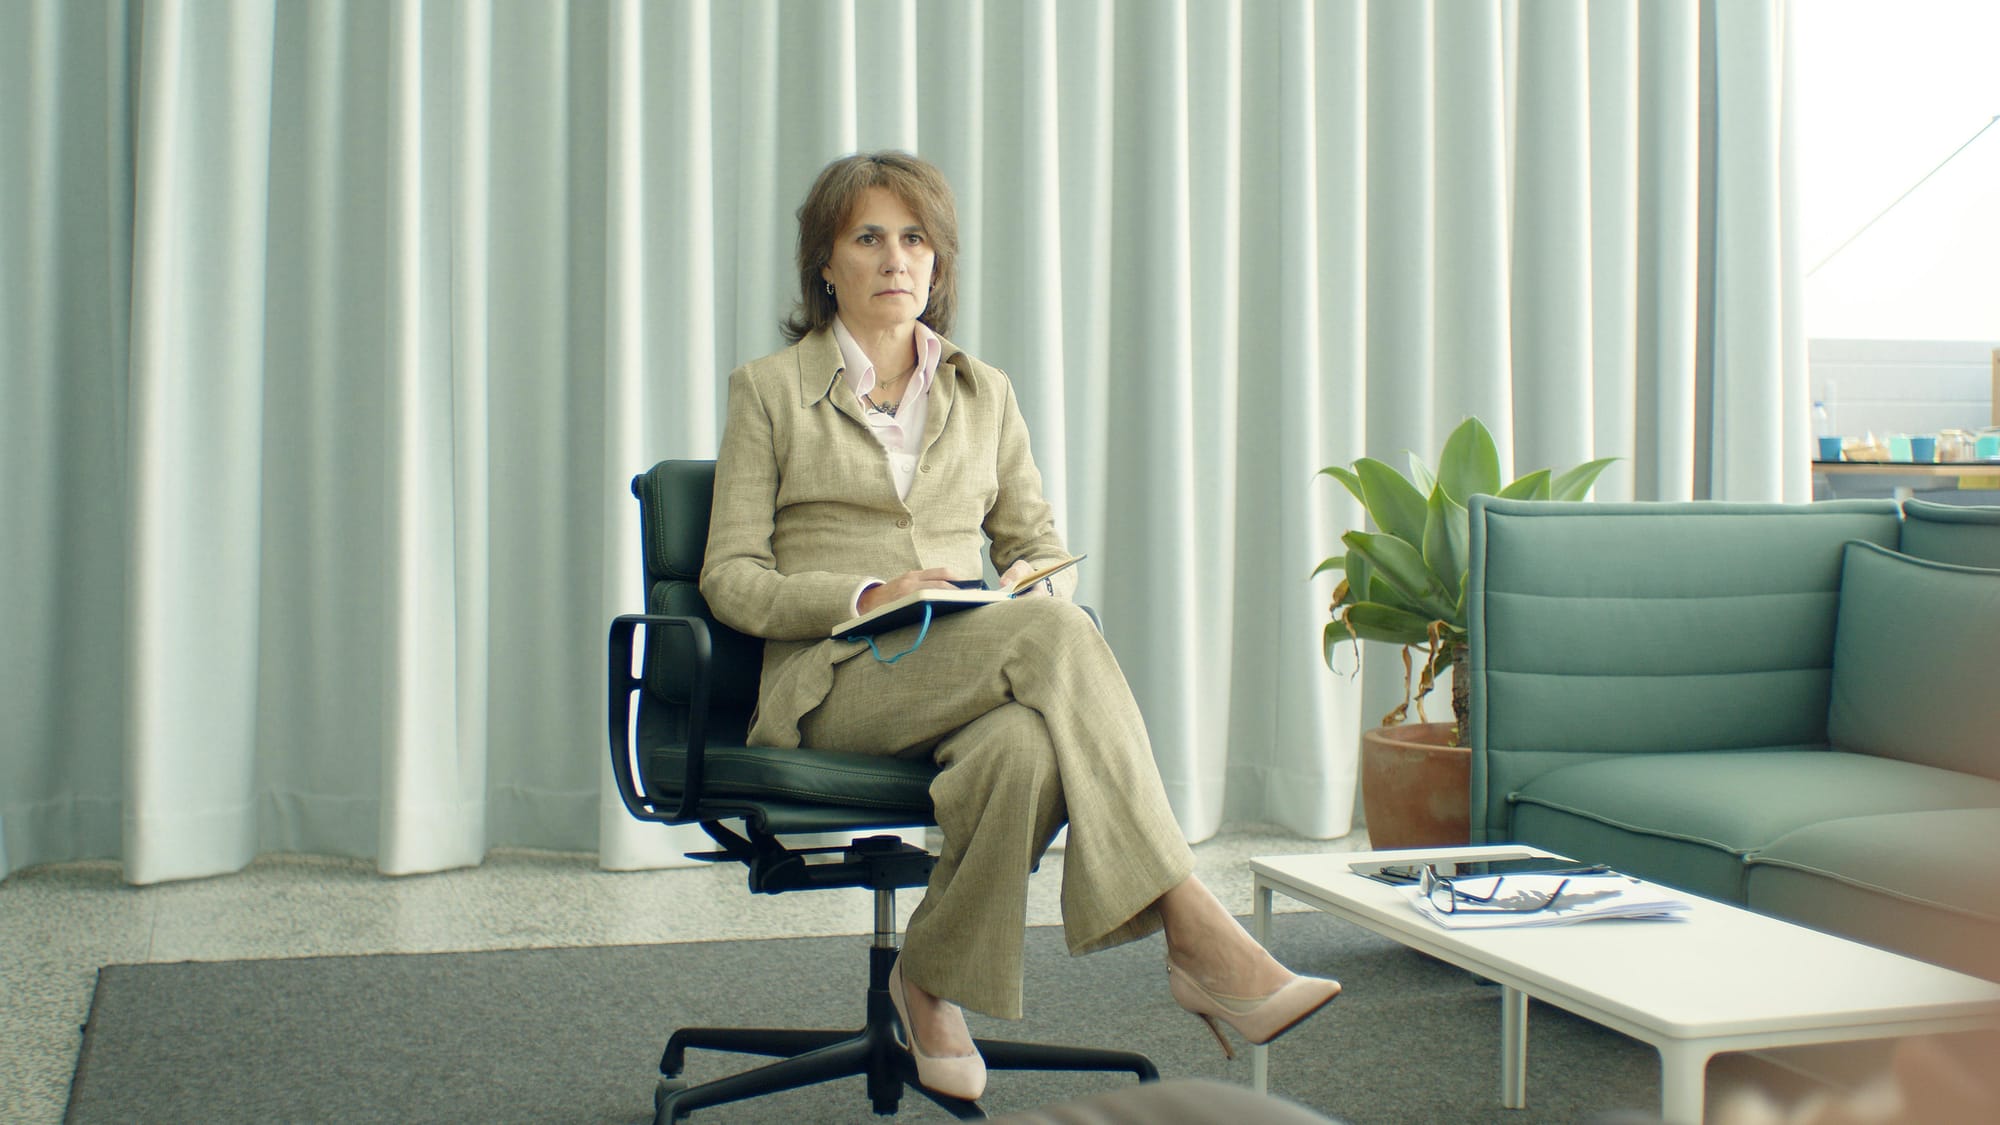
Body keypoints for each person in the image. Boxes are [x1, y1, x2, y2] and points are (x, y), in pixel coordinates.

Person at [700, 151, 1340, 1101]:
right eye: (868, 238)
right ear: (824, 264)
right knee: (1057, 641)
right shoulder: (768, 391)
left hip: (967, 663)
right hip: (836, 679)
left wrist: (1033, 586)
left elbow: (1033, 543)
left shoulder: (983, 392)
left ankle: (929, 981)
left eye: (914, 238)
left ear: (939, 261)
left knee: (1025, 745)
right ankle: (1191, 921)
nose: (895, 259)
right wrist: (868, 594)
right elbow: (731, 578)